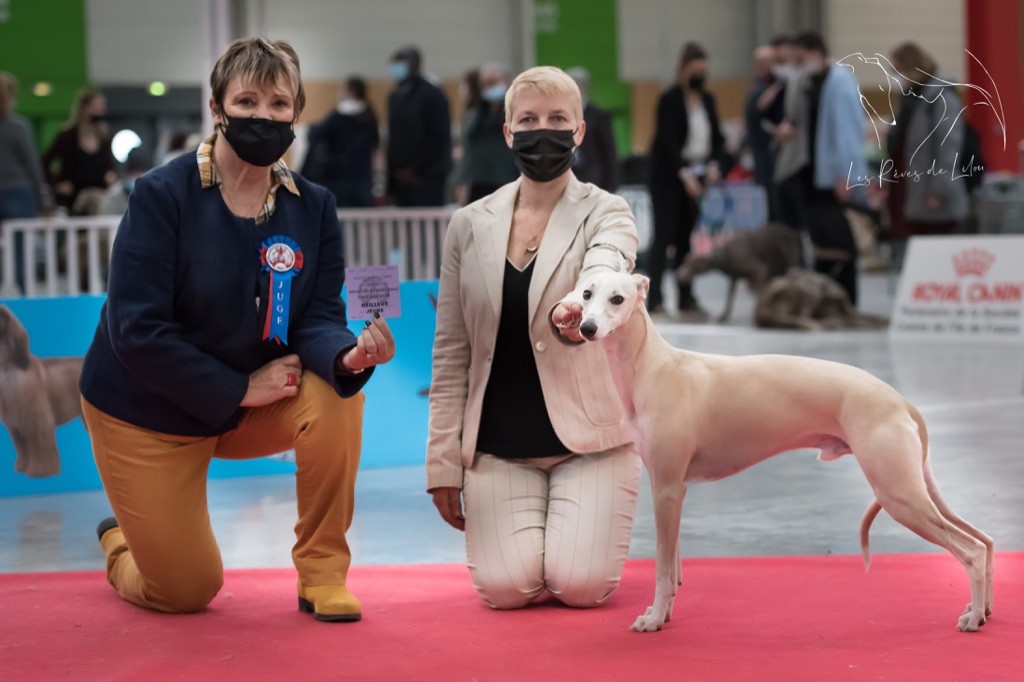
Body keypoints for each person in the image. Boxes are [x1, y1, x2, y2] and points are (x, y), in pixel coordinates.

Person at [79, 37, 395, 622]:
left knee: (340, 397)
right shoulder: (159, 195)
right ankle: (121, 544)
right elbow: (135, 331)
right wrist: (240, 388)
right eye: (247, 100)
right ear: (217, 107)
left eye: (280, 104)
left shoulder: (315, 206)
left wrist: (347, 356)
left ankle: (322, 575)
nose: (264, 116)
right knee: (185, 591)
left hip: (244, 407)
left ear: (297, 111)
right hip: (147, 414)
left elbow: (318, 318)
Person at [427, 66, 642, 610]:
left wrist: (585, 296)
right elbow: (451, 349)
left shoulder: (607, 210)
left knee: (582, 588)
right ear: (507, 132)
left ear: (579, 132)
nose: (540, 130)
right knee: (505, 591)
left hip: (591, 445)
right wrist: (443, 464)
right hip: (498, 446)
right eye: (527, 119)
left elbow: (610, 259)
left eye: (556, 119)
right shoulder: (468, 224)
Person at [776, 32, 867, 305]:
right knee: (821, 241)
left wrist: (846, 174)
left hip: (834, 177)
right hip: (814, 174)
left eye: (802, 58)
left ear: (816, 52)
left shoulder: (839, 83)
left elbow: (847, 132)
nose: (799, 64)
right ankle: (825, 299)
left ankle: (847, 299)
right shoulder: (813, 81)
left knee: (839, 241)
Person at [646, 42, 726, 320]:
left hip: (698, 174)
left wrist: (716, 165)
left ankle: (686, 298)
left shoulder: (708, 100)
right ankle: (654, 299)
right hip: (669, 177)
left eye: (704, 70)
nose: (700, 75)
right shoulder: (669, 99)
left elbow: (718, 139)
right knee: (664, 237)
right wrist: (685, 174)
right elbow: (666, 142)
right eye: (695, 70)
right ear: (683, 69)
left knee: (686, 240)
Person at [886, 42, 968, 239]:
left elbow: (949, 147)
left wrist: (939, 189)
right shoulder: (909, 100)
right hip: (907, 187)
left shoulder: (941, 99)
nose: (895, 76)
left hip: (931, 192)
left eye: (898, 70)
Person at [385, 45, 452, 206]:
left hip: (427, 179)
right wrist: (392, 179)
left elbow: (438, 136)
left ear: (415, 64)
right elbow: (393, 138)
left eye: (402, 62)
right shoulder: (395, 96)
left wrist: (415, 170)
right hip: (400, 182)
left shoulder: (432, 94)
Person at [302, 76, 379, 207]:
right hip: (363, 178)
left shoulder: (336, 116)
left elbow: (316, 136)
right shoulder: (370, 116)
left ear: (350, 91)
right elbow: (375, 144)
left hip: (339, 179)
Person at [0, 72, 44, 294]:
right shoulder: (18, 127)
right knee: (21, 254)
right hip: (18, 193)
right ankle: (24, 299)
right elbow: (32, 165)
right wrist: (42, 197)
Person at [41, 88, 116, 214]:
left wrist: (110, 175)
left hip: (98, 198)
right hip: (72, 201)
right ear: (84, 108)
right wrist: (57, 184)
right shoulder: (67, 136)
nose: (101, 112)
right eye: (96, 107)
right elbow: (45, 161)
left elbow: (109, 166)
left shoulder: (104, 139)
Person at [458, 62, 518, 204]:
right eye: (484, 83)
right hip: (478, 183)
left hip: (508, 181)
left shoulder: (517, 113)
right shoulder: (474, 115)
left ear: (508, 82)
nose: (488, 87)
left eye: (493, 82)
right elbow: (468, 150)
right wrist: (462, 181)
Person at [744, 46, 785, 221]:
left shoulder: (774, 85)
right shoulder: (758, 90)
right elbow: (759, 107)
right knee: (769, 200)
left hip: (777, 156)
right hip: (764, 155)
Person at [567, 67, 620, 192]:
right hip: (567, 179)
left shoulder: (599, 116)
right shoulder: (560, 116)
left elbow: (609, 152)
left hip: (593, 179)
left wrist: (612, 186)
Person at [98, 147, 152, 215]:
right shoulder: (113, 196)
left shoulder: (154, 195)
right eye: (135, 174)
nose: (138, 179)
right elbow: (104, 222)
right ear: (127, 173)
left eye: (142, 174)